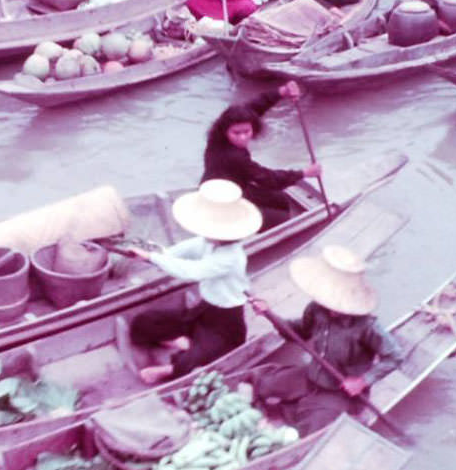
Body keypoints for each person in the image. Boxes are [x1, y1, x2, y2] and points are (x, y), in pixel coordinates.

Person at [250, 244, 402, 434]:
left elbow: (395, 357)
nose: (330, 308)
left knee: (310, 425)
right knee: (263, 384)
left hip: (339, 390)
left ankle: (303, 411)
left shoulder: (366, 327)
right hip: (312, 375)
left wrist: (362, 381)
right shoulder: (316, 310)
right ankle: (288, 405)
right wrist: (270, 314)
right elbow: (298, 333)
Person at [125, 180, 261, 384]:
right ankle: (182, 342)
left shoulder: (231, 256)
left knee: (200, 360)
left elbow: (192, 271)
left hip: (225, 322)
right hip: (202, 312)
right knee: (144, 321)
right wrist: (152, 252)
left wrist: (150, 258)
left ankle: (168, 369)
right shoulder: (208, 242)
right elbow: (177, 253)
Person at [201, 82, 320, 229]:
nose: (243, 137)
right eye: (236, 133)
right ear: (225, 131)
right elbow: (267, 178)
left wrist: (281, 91)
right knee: (280, 219)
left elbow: (255, 107)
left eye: (246, 131)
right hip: (224, 196)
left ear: (253, 127)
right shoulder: (234, 156)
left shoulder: (218, 137)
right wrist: (304, 173)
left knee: (280, 200)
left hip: (236, 184)